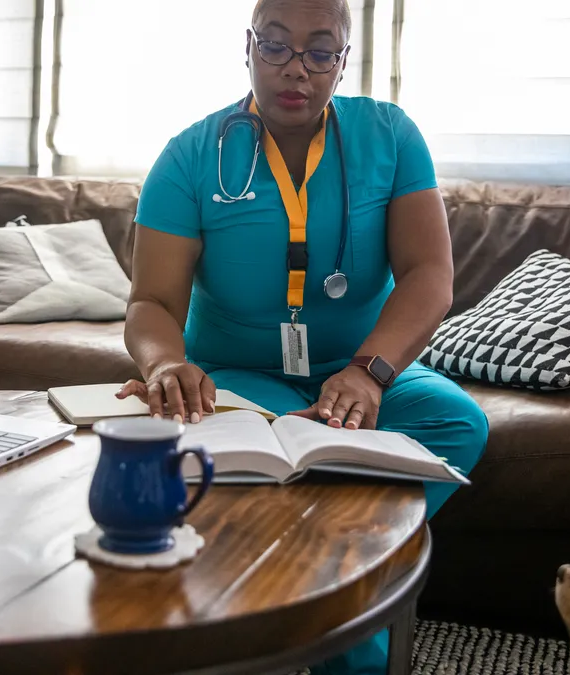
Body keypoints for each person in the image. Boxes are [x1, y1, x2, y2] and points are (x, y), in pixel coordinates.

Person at [118, 0, 488, 672]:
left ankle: (324, 564)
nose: (297, 69)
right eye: (278, 47)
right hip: (238, 373)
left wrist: (369, 372)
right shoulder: (190, 157)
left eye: (321, 52)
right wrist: (167, 362)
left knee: (456, 420)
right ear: (249, 47)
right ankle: (346, 613)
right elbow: (150, 301)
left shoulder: (392, 136)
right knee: (291, 437)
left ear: (344, 61)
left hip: (361, 370)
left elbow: (430, 275)